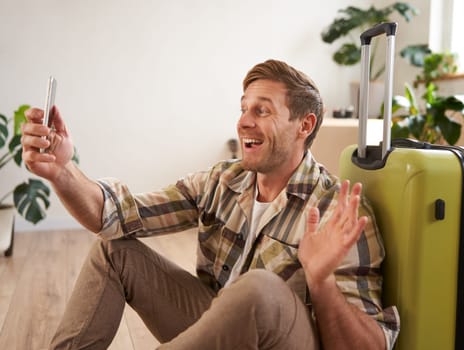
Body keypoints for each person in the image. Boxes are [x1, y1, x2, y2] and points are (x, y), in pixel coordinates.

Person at [21, 59, 399, 350]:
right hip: (217, 336)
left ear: (304, 125)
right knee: (114, 251)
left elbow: (370, 345)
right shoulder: (222, 181)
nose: (243, 122)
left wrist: (322, 282)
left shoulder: (340, 212)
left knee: (259, 290)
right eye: (243, 108)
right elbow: (116, 214)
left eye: (262, 111)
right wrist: (62, 171)